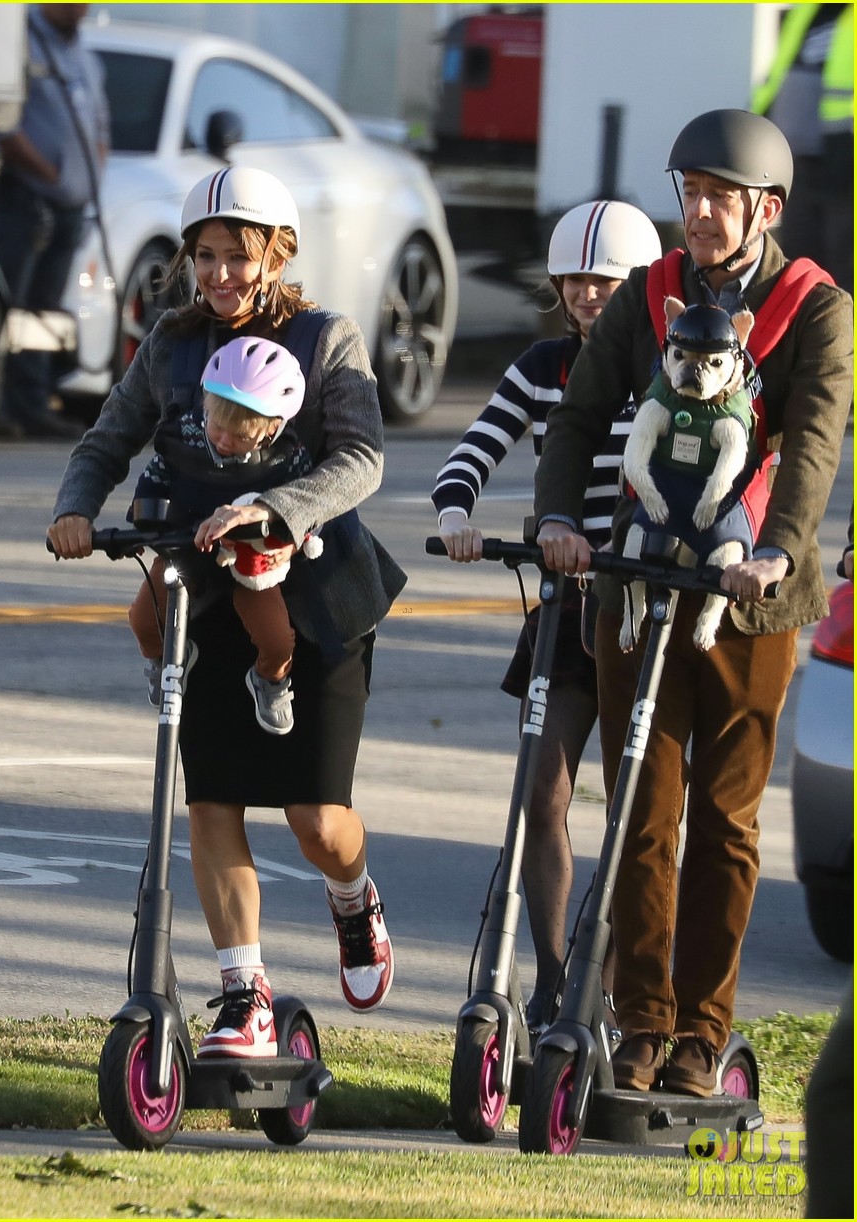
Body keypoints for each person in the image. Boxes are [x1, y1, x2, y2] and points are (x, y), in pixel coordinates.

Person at [48, 166, 406, 1057]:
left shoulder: (328, 339)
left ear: (276, 255)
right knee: (210, 801)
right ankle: (244, 997)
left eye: (237, 257)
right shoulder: (171, 341)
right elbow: (111, 436)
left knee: (317, 825)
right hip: (202, 596)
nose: (218, 275)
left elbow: (362, 459)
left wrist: (276, 510)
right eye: (204, 256)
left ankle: (355, 899)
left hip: (316, 593)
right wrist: (76, 505)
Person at [533, 109, 853, 1095]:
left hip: (750, 601)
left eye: (719, 197)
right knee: (640, 808)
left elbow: (810, 445)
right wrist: (556, 521)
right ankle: (641, 1022)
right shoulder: (650, 294)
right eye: (690, 194)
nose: (700, 213)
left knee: (725, 820)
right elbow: (583, 416)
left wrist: (777, 550)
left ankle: (702, 1035)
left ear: (765, 208)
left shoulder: (816, 308)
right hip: (641, 586)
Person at [432, 200, 662, 1033]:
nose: (586, 295)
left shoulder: (673, 368)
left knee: (638, 809)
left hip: (644, 611)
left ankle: (617, 982)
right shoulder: (543, 366)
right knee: (541, 790)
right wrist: (456, 513)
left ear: (640, 285)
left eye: (604, 281)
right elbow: (477, 446)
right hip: (566, 609)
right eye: (573, 280)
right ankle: (557, 983)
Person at [127, 335, 317, 736]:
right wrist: (143, 520)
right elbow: (154, 479)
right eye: (218, 424)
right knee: (143, 619)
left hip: (248, 558)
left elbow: (309, 506)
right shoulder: (185, 436)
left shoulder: (289, 456)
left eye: (241, 434)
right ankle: (165, 658)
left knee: (278, 640)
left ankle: (270, 678)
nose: (225, 440)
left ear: (272, 429)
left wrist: (295, 538)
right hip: (185, 545)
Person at [0, 4, 109, 440]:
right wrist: (48, 174)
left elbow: (99, 128)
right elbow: (2, 123)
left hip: (68, 209)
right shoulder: (19, 40)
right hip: (26, 203)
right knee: (4, 306)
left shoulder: (84, 57)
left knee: (39, 314)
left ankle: (30, 406)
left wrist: (86, 180)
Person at [752, 2, 853, 294]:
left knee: (844, 265)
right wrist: (755, 127)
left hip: (844, 160)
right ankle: (805, 336)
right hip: (796, 162)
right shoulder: (806, 11)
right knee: (799, 265)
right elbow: (776, 77)